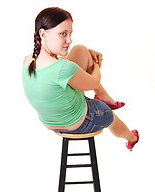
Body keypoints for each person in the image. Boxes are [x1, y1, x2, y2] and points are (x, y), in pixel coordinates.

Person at [22, 7, 139, 151]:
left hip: (50, 121)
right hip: (77, 122)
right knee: (108, 114)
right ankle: (132, 138)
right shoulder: (62, 68)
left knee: (80, 49)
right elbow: (94, 81)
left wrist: (88, 53)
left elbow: (63, 66)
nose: (69, 40)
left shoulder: (28, 60)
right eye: (63, 34)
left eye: (70, 34)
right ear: (43, 34)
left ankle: (103, 96)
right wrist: (96, 63)